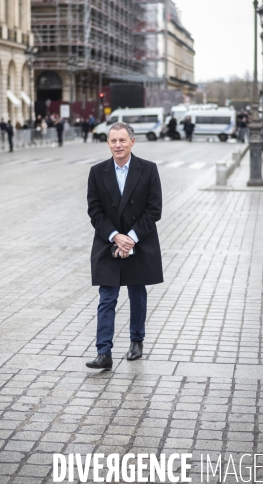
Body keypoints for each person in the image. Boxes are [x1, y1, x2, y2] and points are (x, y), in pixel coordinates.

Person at [86, 122, 163, 370]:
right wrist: (114, 236)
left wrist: (130, 238)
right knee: (107, 297)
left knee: (137, 294)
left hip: (139, 241)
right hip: (108, 242)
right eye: (112, 141)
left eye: (122, 140)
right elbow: (95, 211)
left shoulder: (148, 170)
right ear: (107, 143)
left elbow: (154, 210)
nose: (117, 145)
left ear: (132, 141)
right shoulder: (97, 172)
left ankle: (136, 341)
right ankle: (104, 353)